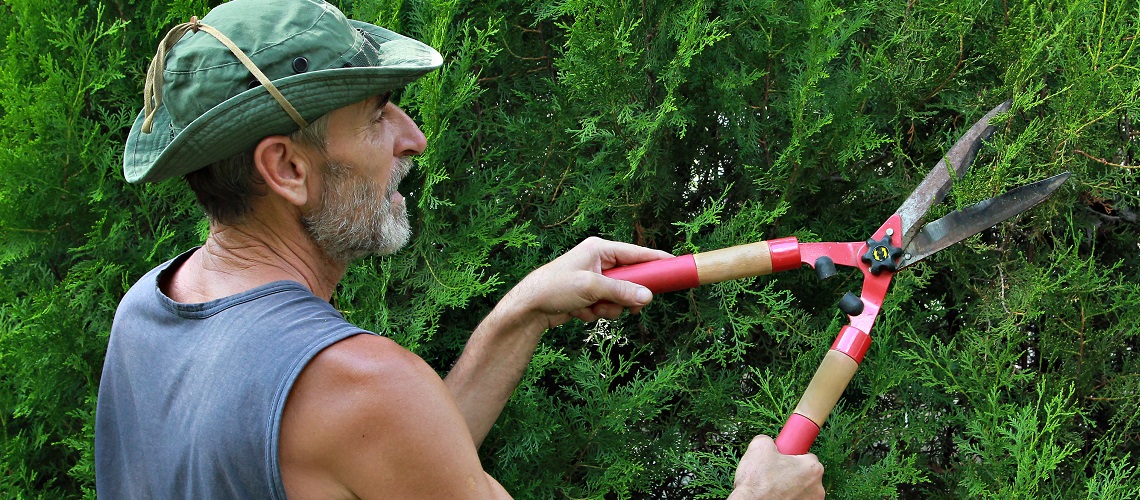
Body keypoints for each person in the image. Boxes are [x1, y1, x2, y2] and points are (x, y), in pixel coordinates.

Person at [94, 0, 825, 498]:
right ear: (286, 168)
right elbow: (384, 426)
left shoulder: (148, 312)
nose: (413, 138)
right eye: (378, 116)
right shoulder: (355, 384)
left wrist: (519, 314)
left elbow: (394, 463)